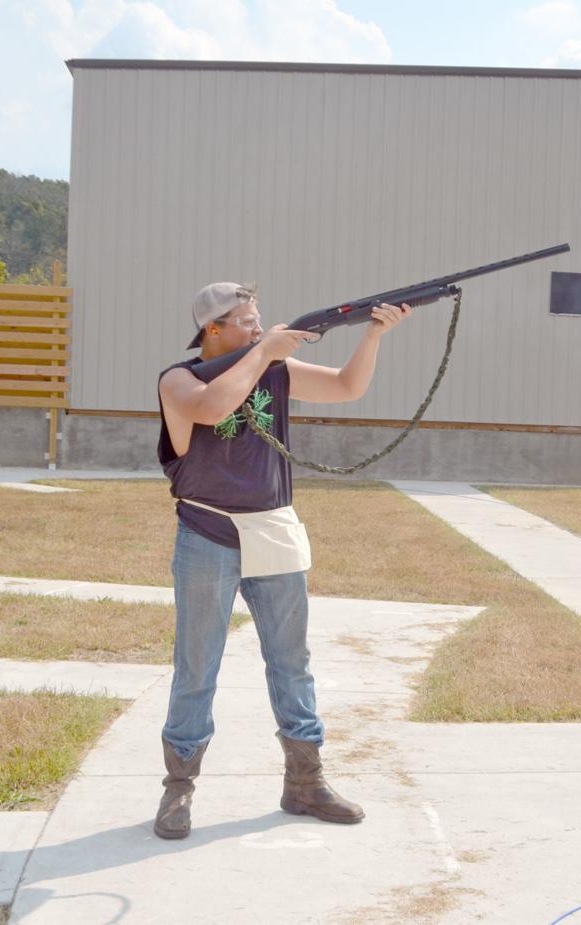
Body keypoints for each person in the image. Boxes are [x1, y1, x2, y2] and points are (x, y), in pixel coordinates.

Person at [153, 281, 410, 839]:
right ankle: (179, 789)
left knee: (292, 662)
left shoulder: (276, 368)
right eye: (245, 320)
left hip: (273, 528)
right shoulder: (178, 378)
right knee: (198, 664)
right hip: (206, 529)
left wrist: (373, 335)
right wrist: (265, 351)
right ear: (212, 329)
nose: (257, 326)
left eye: (258, 317)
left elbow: (347, 387)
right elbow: (213, 407)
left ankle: (305, 782)